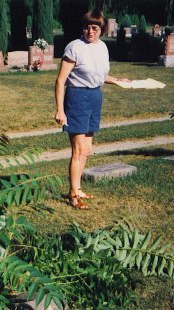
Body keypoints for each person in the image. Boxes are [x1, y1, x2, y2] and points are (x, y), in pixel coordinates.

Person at [55, 8, 130, 209]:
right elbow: (61, 80)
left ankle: (77, 188)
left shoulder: (103, 48)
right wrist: (60, 110)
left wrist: (117, 80)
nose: (90, 31)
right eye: (87, 27)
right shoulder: (74, 47)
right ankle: (72, 195)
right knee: (78, 150)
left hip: (95, 97)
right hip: (77, 98)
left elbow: (99, 75)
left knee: (87, 150)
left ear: (101, 29)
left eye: (95, 28)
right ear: (83, 28)